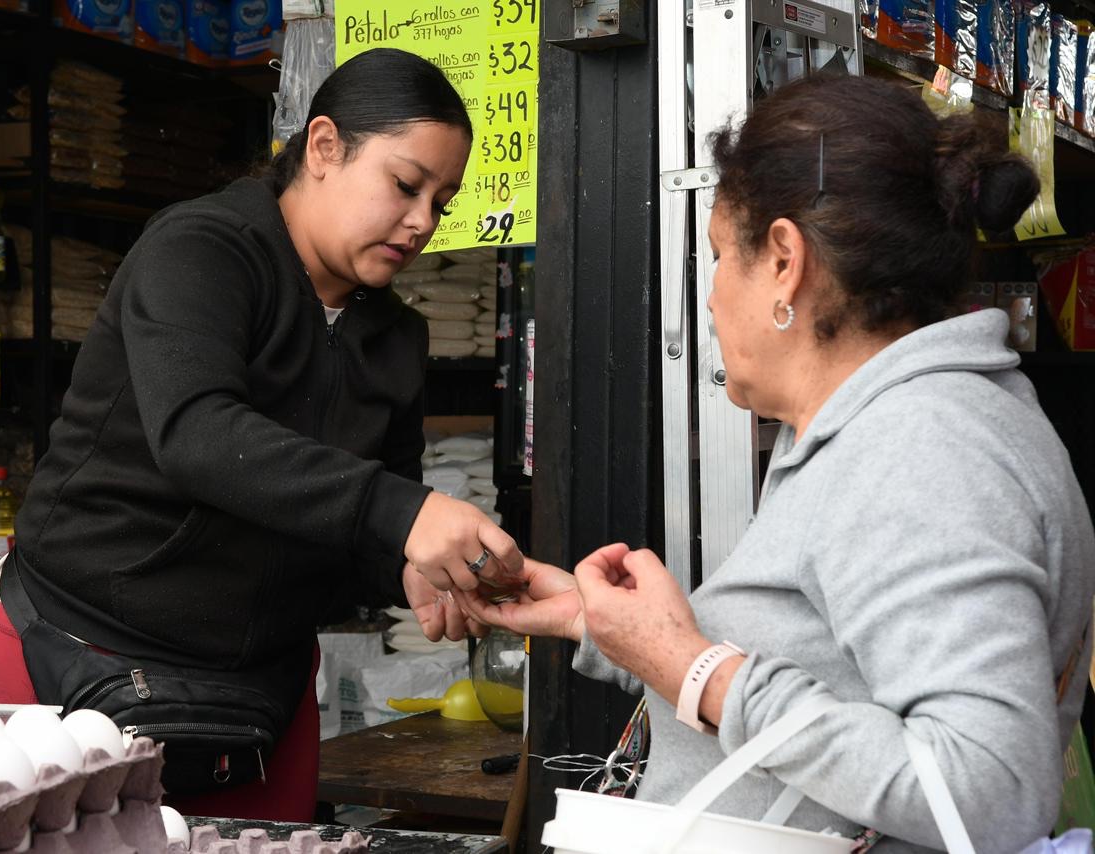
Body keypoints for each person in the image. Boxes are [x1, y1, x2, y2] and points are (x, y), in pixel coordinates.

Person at [459, 74, 1095, 851]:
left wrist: (693, 667)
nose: (712, 295)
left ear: (786, 261)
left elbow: (988, 792)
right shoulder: (876, 427)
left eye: (722, 255)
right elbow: (831, 666)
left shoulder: (926, 451)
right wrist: (608, 626)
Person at [0, 47, 522, 822]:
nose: (423, 221)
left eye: (442, 202)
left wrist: (410, 570)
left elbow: (362, 522)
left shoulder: (396, 336)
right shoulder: (201, 250)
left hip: (260, 698)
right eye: (405, 185)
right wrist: (402, 514)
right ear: (323, 147)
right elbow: (197, 433)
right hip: (76, 658)